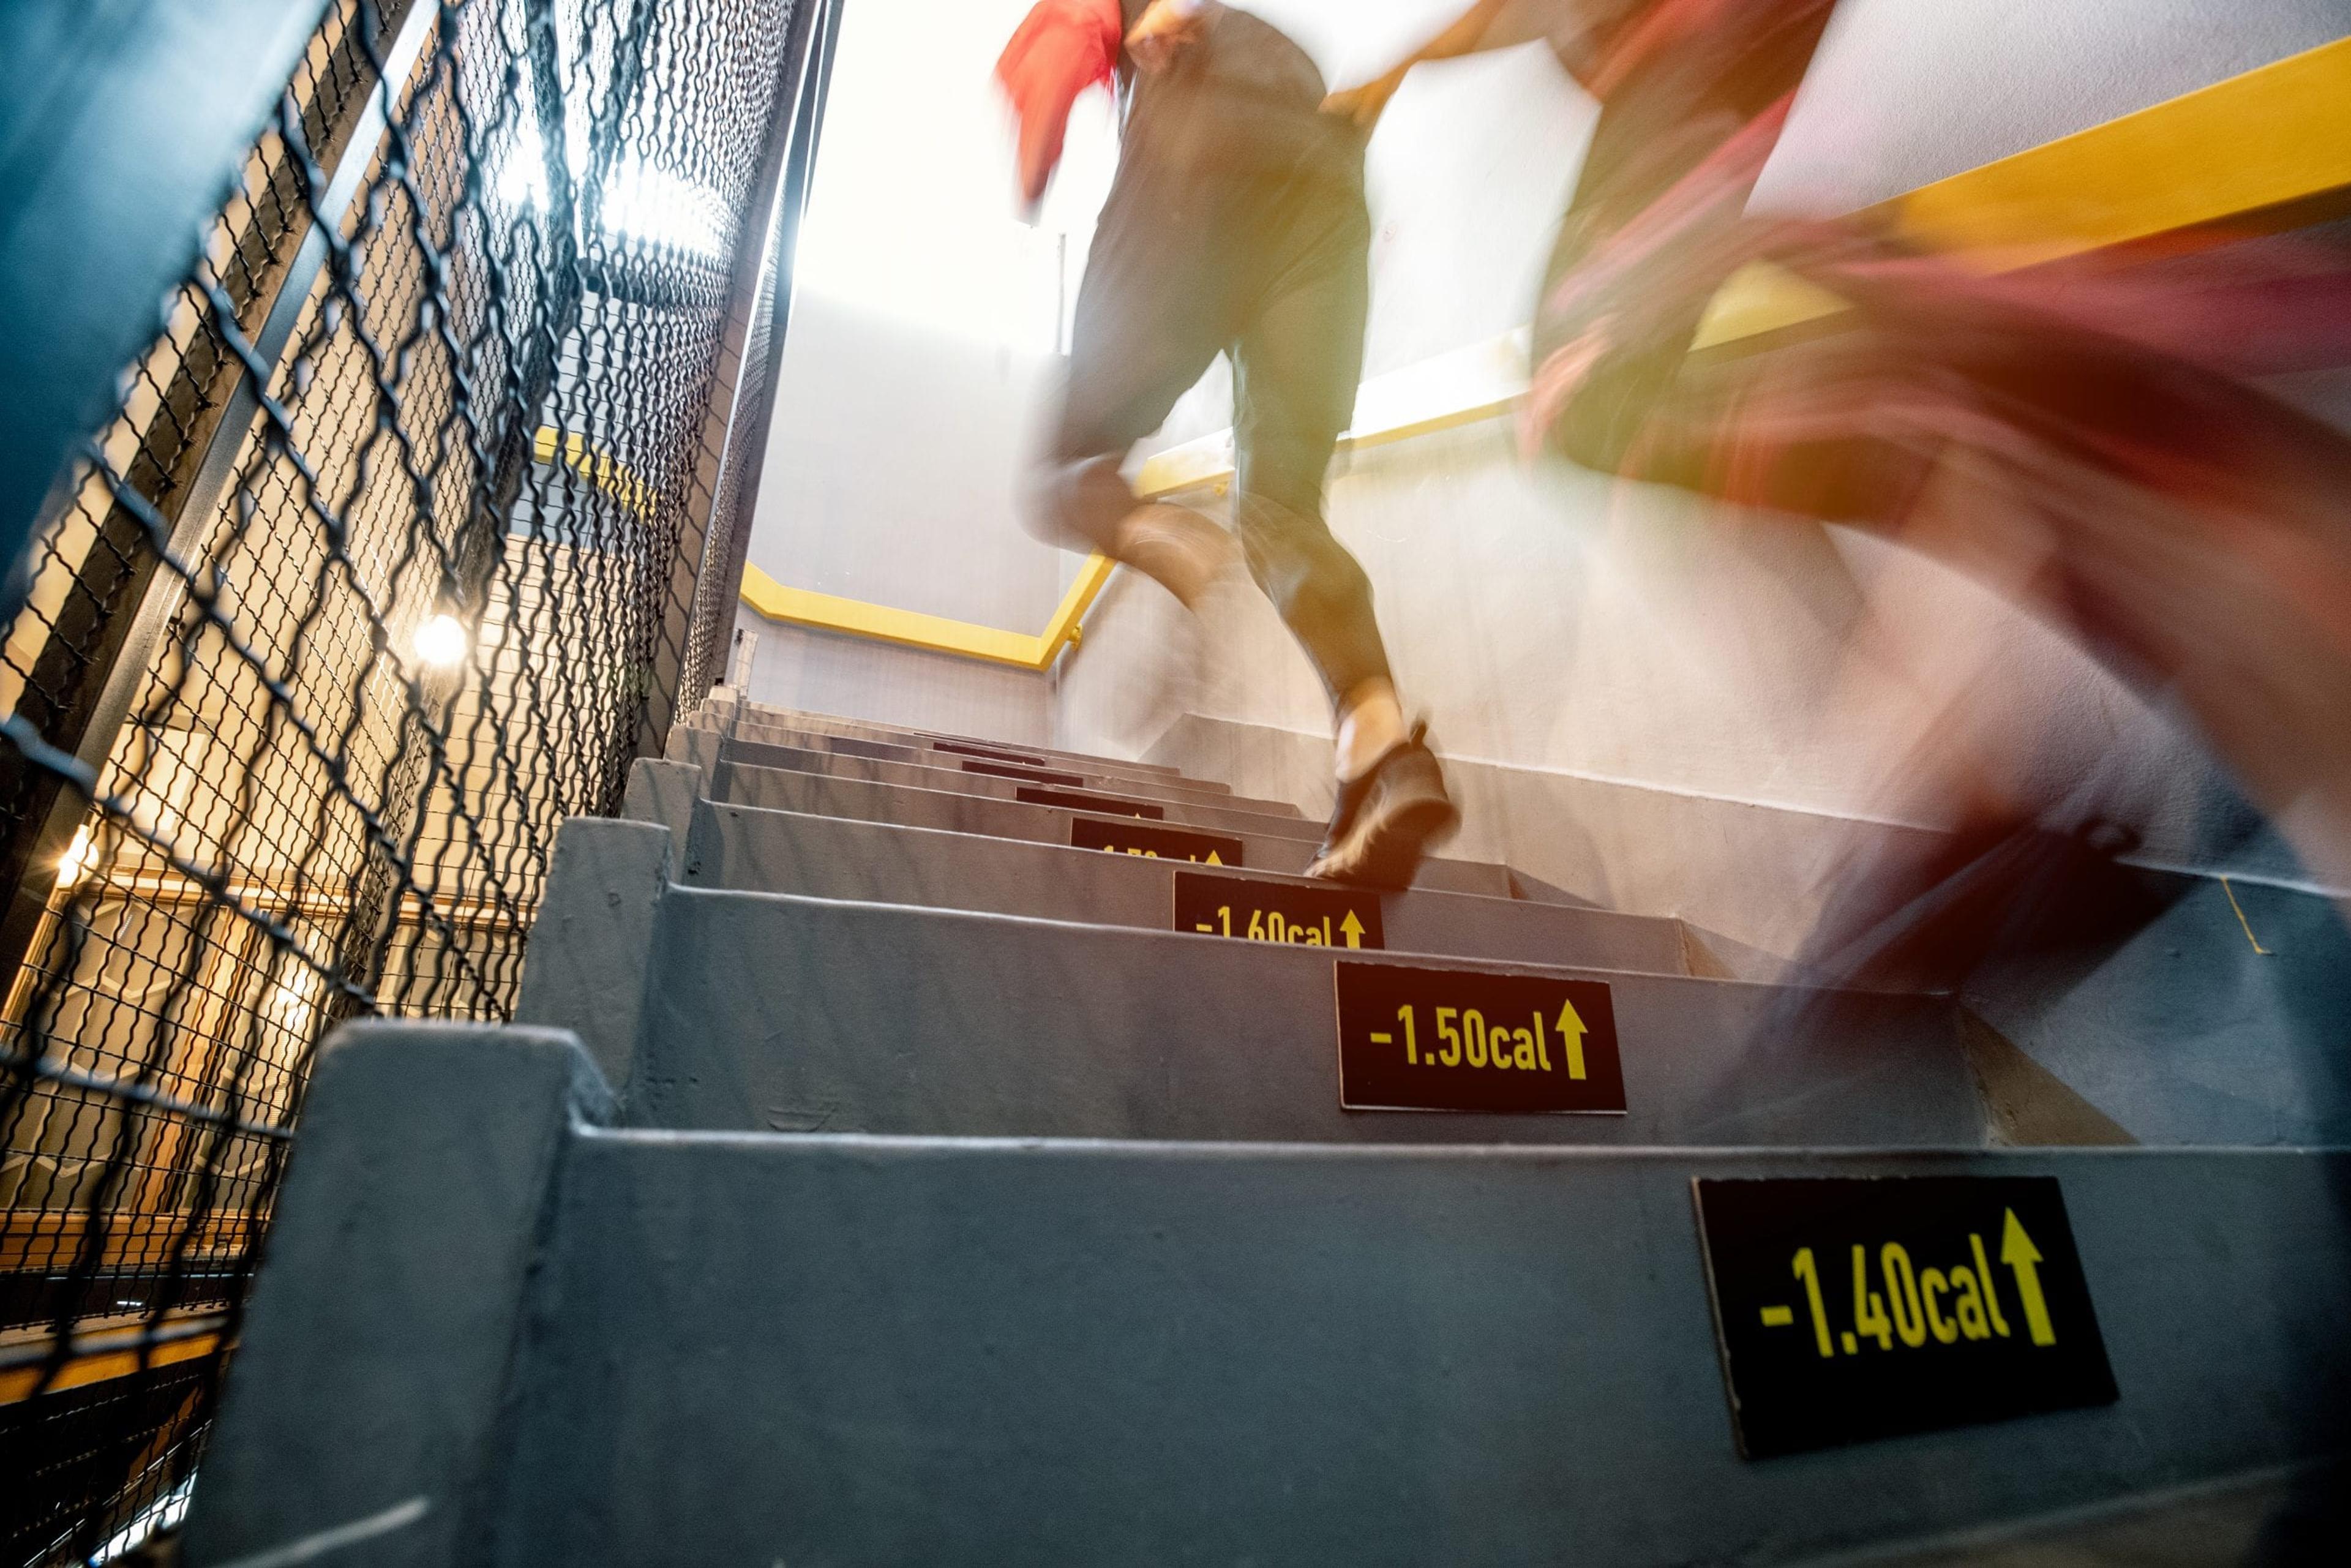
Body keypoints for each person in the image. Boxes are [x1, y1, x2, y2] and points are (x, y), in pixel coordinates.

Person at [1330, 0, 2351, 942]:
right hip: (1701, 64)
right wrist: (1404, 70)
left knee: (1594, 400)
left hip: (1706, 43)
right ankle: (1956, 782)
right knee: (1615, 390)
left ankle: (1969, 768)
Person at [998, 0, 1459, 888]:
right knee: (1283, 509)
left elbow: (1048, 79)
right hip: (1325, 177)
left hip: (1197, 151)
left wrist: (1032, 173)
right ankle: (1384, 756)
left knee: (1058, 466)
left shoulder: (1127, 20)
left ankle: (1154, 533)